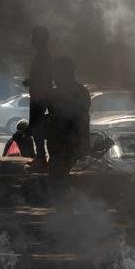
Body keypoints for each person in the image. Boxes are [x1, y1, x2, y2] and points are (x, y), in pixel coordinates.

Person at [47, 56, 91, 184]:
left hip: (67, 148)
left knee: (60, 181)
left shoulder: (59, 94)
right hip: (69, 147)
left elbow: (65, 118)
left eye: (56, 73)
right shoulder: (82, 92)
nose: (54, 77)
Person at [25, 26, 53, 164]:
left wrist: (32, 83)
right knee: (36, 127)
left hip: (39, 97)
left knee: (37, 127)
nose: (32, 40)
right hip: (38, 95)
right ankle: (40, 156)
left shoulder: (43, 56)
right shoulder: (42, 55)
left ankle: (41, 157)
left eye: (34, 37)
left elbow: (43, 78)